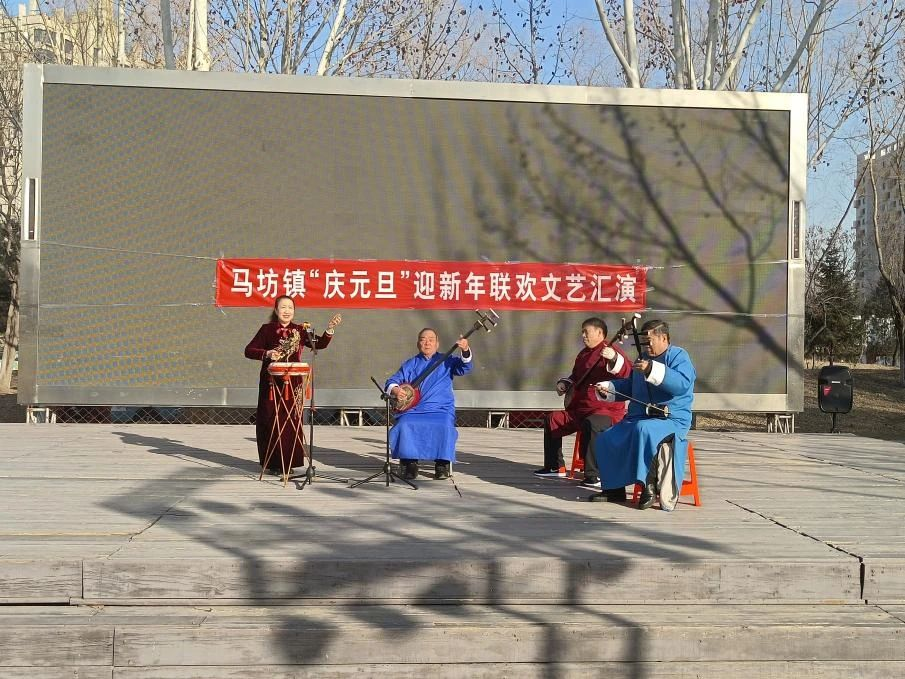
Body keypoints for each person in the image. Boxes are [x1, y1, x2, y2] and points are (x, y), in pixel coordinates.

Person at [590, 319, 695, 509]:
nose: (646, 346)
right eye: (644, 342)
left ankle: (649, 486)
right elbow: (631, 386)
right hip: (640, 417)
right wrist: (609, 388)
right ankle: (614, 489)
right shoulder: (642, 359)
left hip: (671, 419)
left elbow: (682, 384)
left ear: (663, 338)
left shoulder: (679, 356)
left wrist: (651, 369)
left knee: (643, 429)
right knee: (607, 437)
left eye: (649, 341)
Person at [244, 296, 340, 474]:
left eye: (290, 307)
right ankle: (272, 463)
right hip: (271, 382)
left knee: (291, 421)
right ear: (276, 310)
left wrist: (329, 329)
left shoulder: (300, 330)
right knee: (270, 419)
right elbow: (249, 351)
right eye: (283, 307)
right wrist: (267, 353)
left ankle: (289, 463)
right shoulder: (267, 329)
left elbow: (319, 344)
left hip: (293, 382)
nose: (287, 311)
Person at [533, 317, 632, 488]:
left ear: (600, 333)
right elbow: (576, 377)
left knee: (591, 423)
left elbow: (626, 372)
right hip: (580, 408)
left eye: (587, 332)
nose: (583, 335)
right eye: (582, 332)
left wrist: (614, 358)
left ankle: (594, 475)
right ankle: (555, 466)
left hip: (605, 410)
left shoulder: (612, 350)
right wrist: (565, 383)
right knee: (552, 419)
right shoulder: (583, 354)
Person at [386, 328, 473, 480]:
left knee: (444, 424)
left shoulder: (447, 361)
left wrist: (465, 350)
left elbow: (464, 367)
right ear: (418, 343)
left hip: (440, 409)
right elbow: (392, 381)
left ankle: (442, 463)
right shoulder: (410, 364)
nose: (427, 343)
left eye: (431, 340)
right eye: (423, 339)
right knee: (405, 424)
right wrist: (396, 390)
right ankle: (409, 462)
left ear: (437, 344)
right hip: (413, 410)